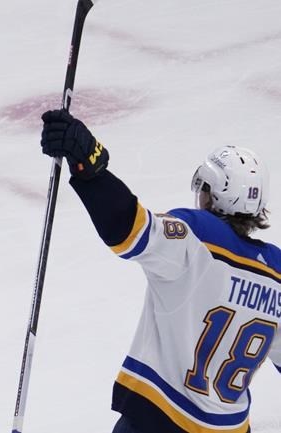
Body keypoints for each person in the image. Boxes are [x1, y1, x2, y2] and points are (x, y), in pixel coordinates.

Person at [40, 109, 281, 433]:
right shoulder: (277, 274)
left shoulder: (199, 237)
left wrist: (89, 167)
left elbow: (129, 228)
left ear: (216, 194)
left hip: (159, 420)